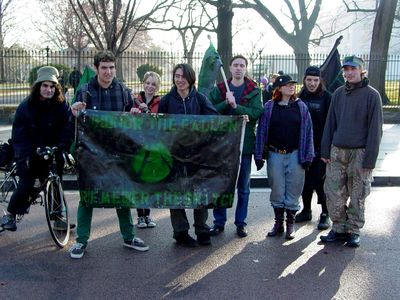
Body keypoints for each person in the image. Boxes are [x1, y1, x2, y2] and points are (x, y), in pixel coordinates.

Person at [69, 50, 148, 259]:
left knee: (121, 195)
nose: (108, 71)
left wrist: (134, 113)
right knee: (87, 197)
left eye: (112, 67)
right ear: (96, 68)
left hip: (116, 153)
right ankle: (81, 241)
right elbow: (75, 125)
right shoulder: (85, 91)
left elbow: (135, 118)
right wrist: (73, 113)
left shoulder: (122, 90)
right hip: (91, 156)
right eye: (104, 67)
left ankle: (129, 237)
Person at [320, 56, 383, 248]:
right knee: (333, 192)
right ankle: (338, 227)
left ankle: (353, 230)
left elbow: (376, 129)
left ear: (361, 71)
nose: (349, 73)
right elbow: (330, 122)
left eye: (353, 69)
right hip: (337, 151)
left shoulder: (372, 95)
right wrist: (325, 150)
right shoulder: (338, 93)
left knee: (358, 194)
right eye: (346, 70)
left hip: (360, 153)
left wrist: (370, 160)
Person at [1, 66, 73, 231]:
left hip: (53, 151)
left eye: (52, 86)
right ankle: (10, 215)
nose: (49, 90)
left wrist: (61, 147)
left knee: (55, 182)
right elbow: (20, 136)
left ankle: (57, 217)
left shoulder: (61, 105)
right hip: (30, 152)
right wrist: (29, 154)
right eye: (45, 86)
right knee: (27, 182)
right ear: (38, 86)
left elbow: (67, 128)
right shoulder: (26, 107)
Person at [158, 63, 218, 247]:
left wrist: (238, 119)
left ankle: (201, 229)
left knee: (200, 192)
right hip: (174, 156)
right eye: (176, 76)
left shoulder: (200, 99)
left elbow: (216, 121)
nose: (179, 80)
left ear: (191, 78)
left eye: (183, 76)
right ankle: (181, 232)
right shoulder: (167, 101)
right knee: (175, 194)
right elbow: (158, 127)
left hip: (197, 156)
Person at [208, 55, 263, 238]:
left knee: (243, 187)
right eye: (235, 65)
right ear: (230, 68)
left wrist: (236, 106)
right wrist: (226, 102)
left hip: (244, 145)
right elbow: (211, 111)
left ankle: (241, 222)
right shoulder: (221, 88)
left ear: (246, 68)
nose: (238, 68)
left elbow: (256, 113)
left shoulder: (254, 90)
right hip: (223, 145)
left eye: (242, 65)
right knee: (221, 185)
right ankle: (219, 222)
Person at [254, 75, 314, 240]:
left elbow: (308, 132)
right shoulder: (269, 108)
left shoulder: (301, 107)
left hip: (295, 154)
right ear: (278, 88)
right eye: (287, 85)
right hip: (275, 154)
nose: (291, 87)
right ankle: (278, 223)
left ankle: (290, 224)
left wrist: (308, 155)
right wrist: (259, 154)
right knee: (277, 189)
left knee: (294, 189)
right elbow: (261, 132)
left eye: (292, 85)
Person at [295, 66, 332, 230]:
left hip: (322, 147)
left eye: (315, 80)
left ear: (320, 81)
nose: (312, 83)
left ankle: (325, 213)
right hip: (304, 147)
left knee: (321, 183)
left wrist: (327, 148)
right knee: (305, 182)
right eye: (309, 80)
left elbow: (332, 123)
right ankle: (307, 210)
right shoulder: (300, 96)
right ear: (304, 80)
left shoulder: (327, 98)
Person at [132, 71, 161, 228]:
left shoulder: (159, 102)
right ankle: (140, 216)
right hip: (137, 145)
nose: (150, 86)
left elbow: (160, 122)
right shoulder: (135, 100)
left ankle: (147, 215)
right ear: (144, 83)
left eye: (153, 84)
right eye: (148, 83)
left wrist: (148, 112)